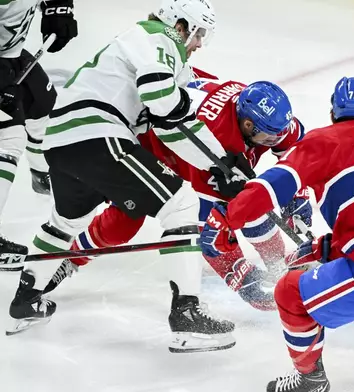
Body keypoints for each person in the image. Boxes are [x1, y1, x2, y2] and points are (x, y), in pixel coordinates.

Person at [5, 0, 239, 354]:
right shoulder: (159, 38)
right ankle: (187, 315)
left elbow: (170, 129)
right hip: (96, 133)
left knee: (65, 221)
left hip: (61, 140)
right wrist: (221, 163)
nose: (199, 43)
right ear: (180, 24)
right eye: (199, 32)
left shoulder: (141, 43)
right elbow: (163, 103)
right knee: (181, 204)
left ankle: (27, 298)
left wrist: (219, 164)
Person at [198, 76, 354, 392]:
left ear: (332, 114)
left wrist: (229, 217)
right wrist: (328, 246)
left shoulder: (325, 140)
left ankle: (311, 380)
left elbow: (271, 186)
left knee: (290, 293)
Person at [43, 71, 312, 312]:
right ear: (247, 125)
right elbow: (211, 231)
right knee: (122, 225)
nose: (273, 143)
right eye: (268, 139)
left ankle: (279, 265)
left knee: (249, 200)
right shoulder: (215, 141)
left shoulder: (263, 116)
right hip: (154, 150)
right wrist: (245, 279)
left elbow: (297, 146)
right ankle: (71, 257)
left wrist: (297, 196)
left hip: (191, 135)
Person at [0, 0, 78, 265]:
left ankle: (41, 175)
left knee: (42, 104)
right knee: (8, 138)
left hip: (11, 54)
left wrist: (59, 6)